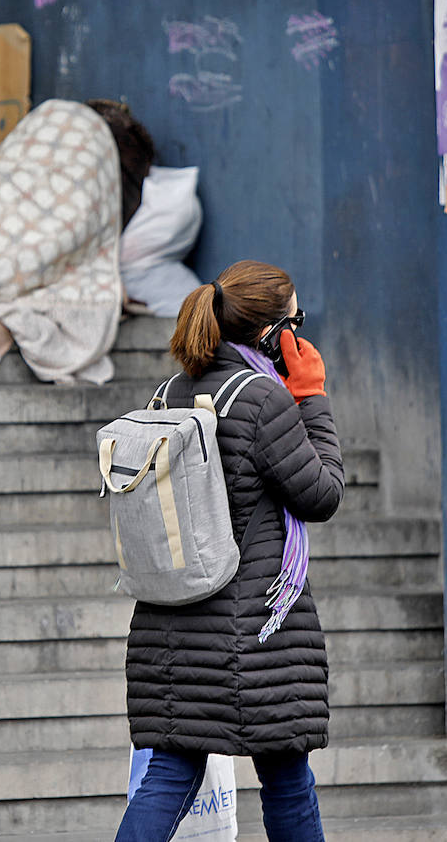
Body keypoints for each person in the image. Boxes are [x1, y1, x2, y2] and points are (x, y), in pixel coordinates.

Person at [115, 259, 345, 842]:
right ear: (273, 334)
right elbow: (322, 493)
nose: (302, 332)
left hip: (173, 630)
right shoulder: (264, 399)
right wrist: (312, 396)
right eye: (297, 322)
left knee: (169, 773)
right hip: (253, 630)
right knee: (288, 778)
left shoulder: (172, 390)